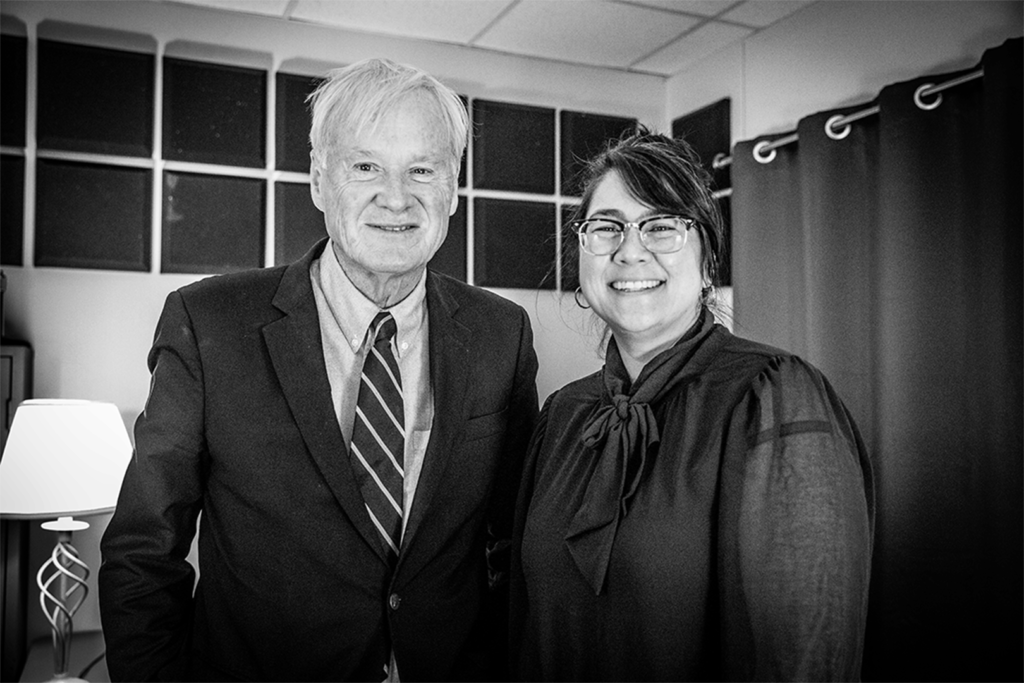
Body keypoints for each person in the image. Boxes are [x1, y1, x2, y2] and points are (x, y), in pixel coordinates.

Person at [99, 58, 539, 682]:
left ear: (453, 188)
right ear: (318, 180)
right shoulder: (208, 323)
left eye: (423, 169)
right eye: (365, 167)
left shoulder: (502, 333)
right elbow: (144, 553)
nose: (397, 196)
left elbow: (512, 542)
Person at [509, 127, 873, 681]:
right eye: (606, 228)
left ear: (707, 264)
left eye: (661, 227)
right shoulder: (562, 414)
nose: (630, 250)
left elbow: (803, 654)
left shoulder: (772, 396)